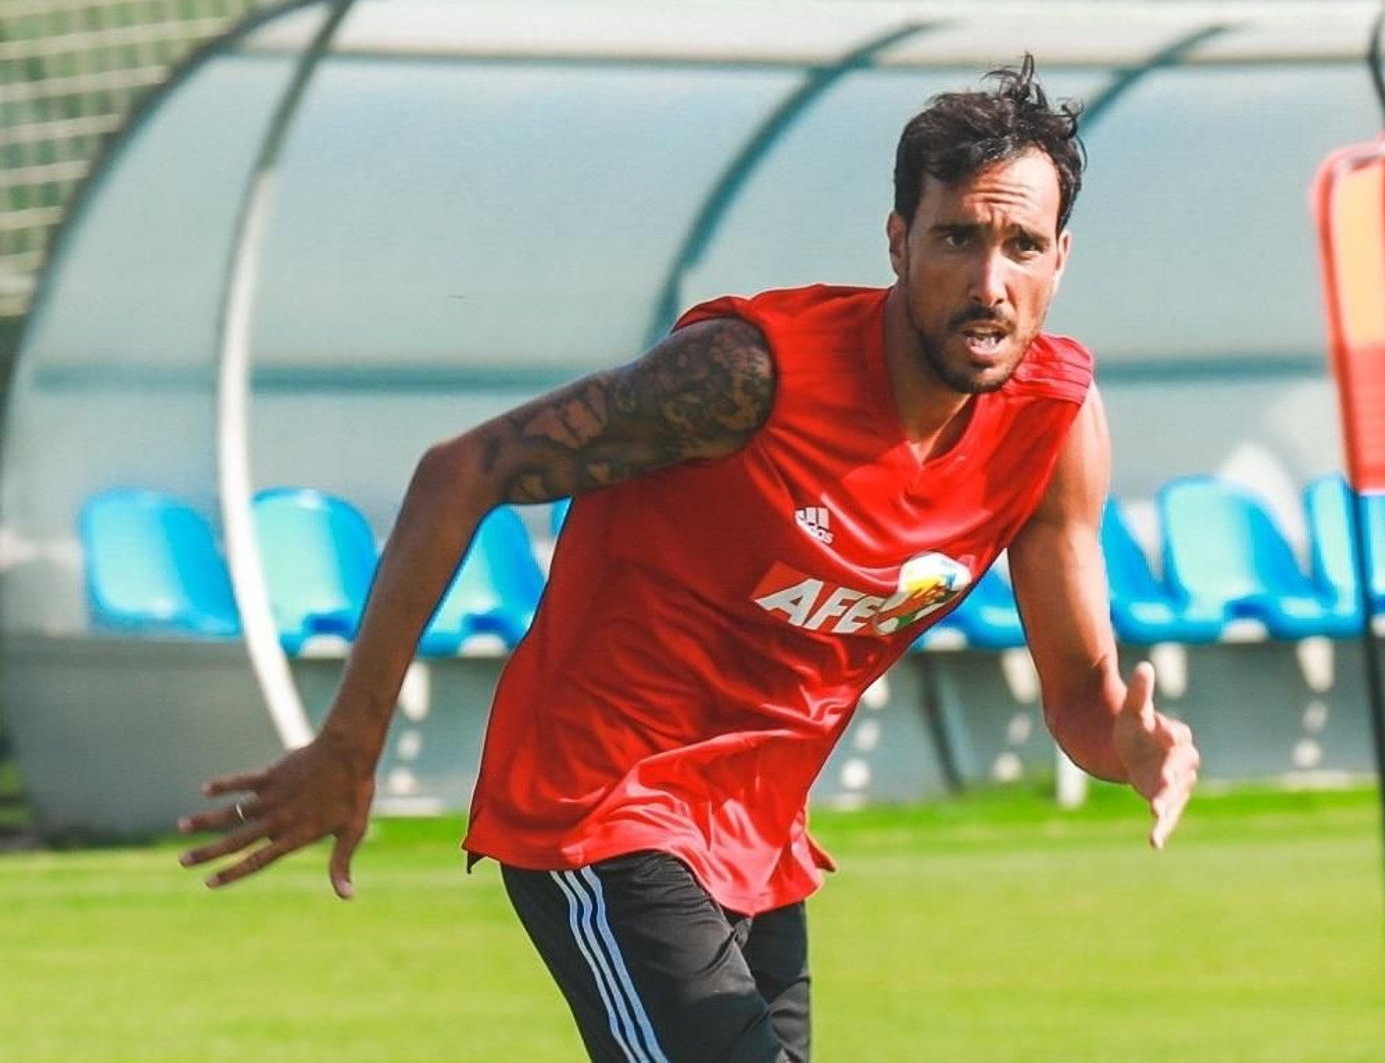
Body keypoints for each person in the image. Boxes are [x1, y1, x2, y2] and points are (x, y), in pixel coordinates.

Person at [179, 54, 1200, 1063]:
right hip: (600, 804)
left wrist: (1131, 745)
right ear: (897, 241)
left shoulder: (1053, 425)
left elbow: (1081, 697)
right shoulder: (745, 376)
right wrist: (348, 745)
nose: (989, 282)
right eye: (957, 238)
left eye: (1022, 245)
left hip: (757, 841)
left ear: (1060, 258)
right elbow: (461, 472)